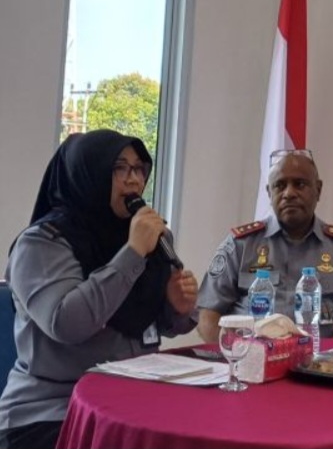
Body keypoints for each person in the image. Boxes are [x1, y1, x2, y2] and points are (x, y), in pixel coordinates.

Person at [0, 130, 198, 449]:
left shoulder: (147, 236)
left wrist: (177, 309)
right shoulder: (41, 243)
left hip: (132, 401)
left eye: (139, 168)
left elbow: (156, 325)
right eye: (119, 168)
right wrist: (132, 253)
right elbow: (67, 323)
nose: (133, 179)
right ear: (88, 174)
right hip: (54, 411)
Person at [197, 149, 333, 343]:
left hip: (321, 358)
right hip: (253, 356)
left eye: (300, 184)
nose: (289, 193)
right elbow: (207, 316)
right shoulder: (240, 244)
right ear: (269, 193)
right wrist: (237, 353)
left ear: (318, 190)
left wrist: (332, 356)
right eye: (280, 186)